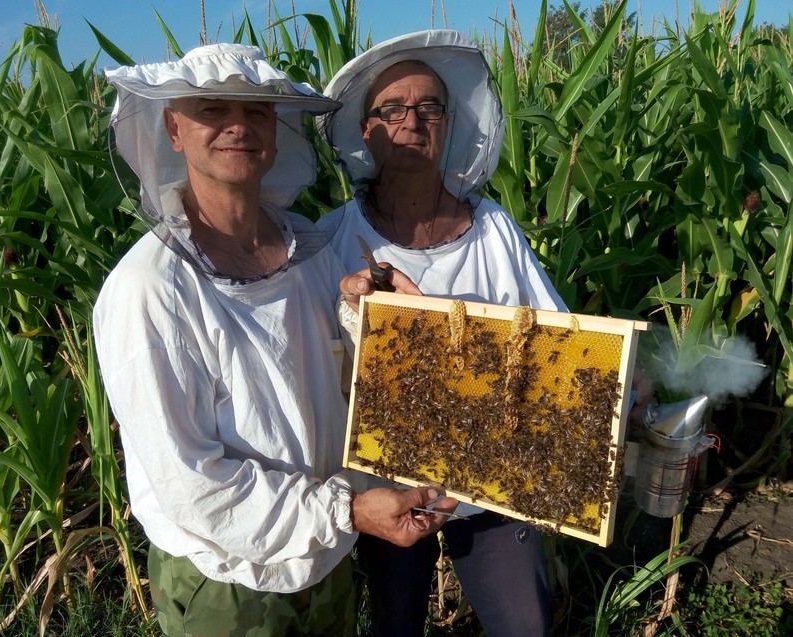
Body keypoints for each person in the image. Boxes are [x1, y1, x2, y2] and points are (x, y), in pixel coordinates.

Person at [93, 42, 457, 637]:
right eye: (213, 109)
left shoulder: (305, 245)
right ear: (174, 129)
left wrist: (364, 316)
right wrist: (345, 509)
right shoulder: (149, 289)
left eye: (256, 111)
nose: (238, 126)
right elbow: (193, 485)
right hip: (230, 580)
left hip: (326, 557)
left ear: (276, 129)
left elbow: (329, 373)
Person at [317, 30, 568, 637]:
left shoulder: (494, 230)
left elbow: (557, 338)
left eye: (429, 106)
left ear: (448, 124)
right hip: (387, 489)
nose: (412, 120)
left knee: (524, 625)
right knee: (396, 623)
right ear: (366, 130)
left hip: (495, 473)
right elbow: (311, 365)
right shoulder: (329, 239)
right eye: (392, 109)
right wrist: (352, 312)